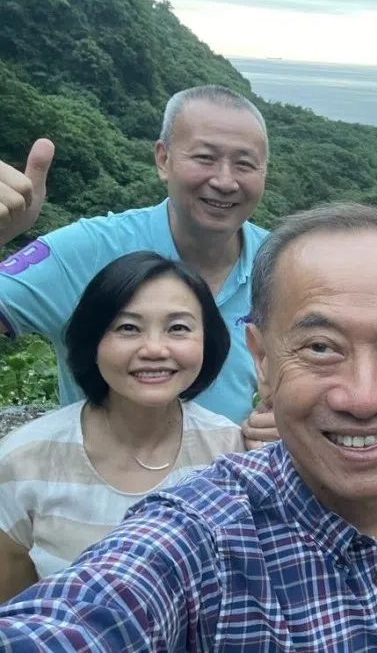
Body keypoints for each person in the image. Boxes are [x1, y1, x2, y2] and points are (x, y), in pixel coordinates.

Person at [0, 203, 377, 651]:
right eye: (321, 348)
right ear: (261, 359)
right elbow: (74, 623)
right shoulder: (198, 541)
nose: (364, 398)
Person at [0, 84, 269, 424]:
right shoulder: (89, 249)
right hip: (92, 475)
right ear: (163, 159)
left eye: (245, 164)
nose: (225, 181)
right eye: (205, 158)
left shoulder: (283, 264)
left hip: (237, 477)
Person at [0, 251, 243, 602]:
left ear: (208, 339)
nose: (155, 349)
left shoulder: (231, 455)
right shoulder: (23, 460)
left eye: (178, 328)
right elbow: (14, 613)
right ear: (93, 340)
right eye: (128, 328)